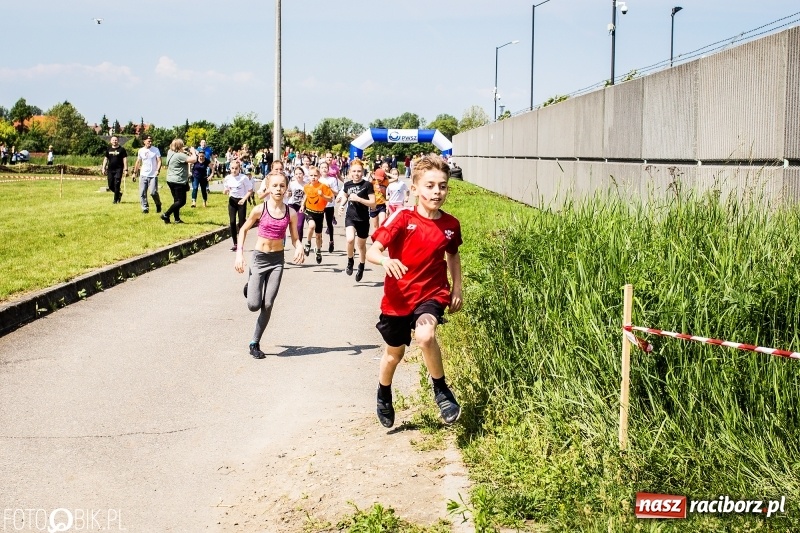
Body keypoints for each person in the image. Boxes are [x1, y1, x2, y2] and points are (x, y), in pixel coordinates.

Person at [365, 155, 463, 428]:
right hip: (398, 299)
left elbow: (453, 256)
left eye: (442, 186)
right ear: (416, 188)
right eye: (430, 185)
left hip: (431, 294)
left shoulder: (450, 225)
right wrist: (385, 260)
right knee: (393, 355)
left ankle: (441, 391)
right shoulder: (402, 219)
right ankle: (384, 393)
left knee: (425, 334)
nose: (437, 192)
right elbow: (373, 251)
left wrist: (457, 288)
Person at [234, 171, 305, 359]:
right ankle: (250, 288)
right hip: (259, 259)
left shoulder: (290, 213)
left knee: (268, 304)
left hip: (277, 262)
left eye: (282, 185)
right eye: (275, 185)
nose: (279, 189)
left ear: (286, 188)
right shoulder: (259, 209)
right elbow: (243, 230)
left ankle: (254, 342)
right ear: (268, 187)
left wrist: (299, 247)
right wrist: (239, 254)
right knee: (253, 305)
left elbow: (295, 238)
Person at [335, 159, 375, 282]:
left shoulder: (367, 185)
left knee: (361, 246)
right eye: (354, 171)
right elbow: (345, 196)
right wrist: (341, 205)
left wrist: (359, 199)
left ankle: (361, 266)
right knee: (350, 239)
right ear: (350, 172)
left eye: (359, 171)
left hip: (363, 219)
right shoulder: (347, 185)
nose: (356, 173)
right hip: (350, 217)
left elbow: (373, 204)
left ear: (362, 172)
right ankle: (350, 261)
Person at [302, 166, 335, 265]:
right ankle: (308, 243)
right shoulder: (307, 186)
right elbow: (306, 196)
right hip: (309, 211)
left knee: (318, 236)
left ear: (319, 176)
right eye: (311, 175)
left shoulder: (323, 186)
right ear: (308, 176)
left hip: (319, 213)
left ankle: (318, 251)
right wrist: (302, 205)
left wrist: (322, 196)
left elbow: (330, 199)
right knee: (311, 226)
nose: (313, 177)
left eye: (315, 175)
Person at [161, 138, 197, 224]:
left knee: (176, 200)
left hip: (170, 180)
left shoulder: (170, 152)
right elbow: (194, 160)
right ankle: (166, 214)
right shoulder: (180, 156)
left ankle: (177, 219)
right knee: (181, 201)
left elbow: (177, 150)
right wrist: (193, 151)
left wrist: (184, 150)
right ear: (180, 146)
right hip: (178, 181)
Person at [223, 160, 254, 251]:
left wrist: (244, 199)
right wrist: (225, 191)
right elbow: (226, 189)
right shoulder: (227, 178)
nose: (234, 170)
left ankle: (241, 243)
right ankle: (235, 243)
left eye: (236, 168)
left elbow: (250, 190)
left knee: (241, 223)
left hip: (241, 201)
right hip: (232, 200)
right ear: (230, 168)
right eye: (232, 168)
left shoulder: (243, 178)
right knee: (232, 222)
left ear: (239, 169)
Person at [133, 135, 162, 214]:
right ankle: (145, 208)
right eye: (148, 141)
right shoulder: (141, 151)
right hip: (143, 174)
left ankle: (158, 204)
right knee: (142, 193)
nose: (150, 142)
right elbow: (138, 162)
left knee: (153, 192)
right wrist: (134, 173)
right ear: (144, 141)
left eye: (151, 141)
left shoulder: (155, 150)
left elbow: (159, 161)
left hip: (153, 175)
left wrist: (157, 170)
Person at [319, 161, 340, 253]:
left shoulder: (332, 180)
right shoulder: (317, 179)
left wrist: (329, 188)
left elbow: (336, 193)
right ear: (319, 169)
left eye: (325, 167)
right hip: (318, 204)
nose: (324, 169)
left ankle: (331, 241)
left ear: (328, 169)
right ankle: (319, 240)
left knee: (329, 224)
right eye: (322, 167)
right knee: (319, 224)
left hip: (329, 205)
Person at [101, 136, 128, 204]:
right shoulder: (109, 149)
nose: (114, 141)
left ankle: (115, 200)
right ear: (111, 141)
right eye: (113, 140)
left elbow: (125, 159)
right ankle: (119, 194)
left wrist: (126, 169)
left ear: (118, 141)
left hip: (119, 169)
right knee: (110, 185)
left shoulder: (122, 149)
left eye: (116, 140)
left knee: (117, 184)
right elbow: (106, 159)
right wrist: (103, 167)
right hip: (110, 169)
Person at [370, 168, 390, 232]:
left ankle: (380, 237)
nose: (378, 180)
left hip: (382, 205)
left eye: (380, 178)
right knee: (375, 226)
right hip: (374, 206)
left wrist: (386, 173)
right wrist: (369, 175)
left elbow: (396, 178)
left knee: (382, 222)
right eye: (377, 178)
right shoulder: (372, 182)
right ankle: (376, 238)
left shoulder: (386, 181)